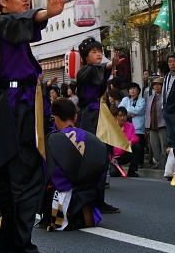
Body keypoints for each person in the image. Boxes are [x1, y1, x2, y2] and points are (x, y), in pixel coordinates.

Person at [0, 0, 63, 253]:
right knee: (25, 174)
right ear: (3, 1)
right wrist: (45, 13)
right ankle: (23, 247)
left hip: (7, 105)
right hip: (15, 107)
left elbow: (25, 22)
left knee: (6, 175)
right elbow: (25, 20)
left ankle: (9, 243)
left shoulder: (1, 28)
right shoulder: (3, 23)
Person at [43, 99, 108, 230]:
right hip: (88, 194)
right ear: (75, 116)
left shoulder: (52, 139)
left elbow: (48, 173)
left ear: (55, 118)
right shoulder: (94, 139)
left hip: (63, 195)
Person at [76, 36, 121, 213]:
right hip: (90, 117)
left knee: (102, 158)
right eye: (94, 52)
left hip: (99, 115)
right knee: (93, 157)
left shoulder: (95, 70)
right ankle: (90, 199)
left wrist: (111, 66)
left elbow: (101, 73)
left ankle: (98, 200)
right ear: (85, 56)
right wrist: (110, 65)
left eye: (100, 52)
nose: (98, 54)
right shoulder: (84, 72)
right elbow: (98, 71)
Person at [118, 84, 146, 176]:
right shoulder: (125, 99)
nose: (132, 91)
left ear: (138, 91)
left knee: (138, 145)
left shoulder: (141, 100)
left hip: (137, 127)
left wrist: (128, 112)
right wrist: (130, 113)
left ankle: (137, 166)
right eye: (131, 89)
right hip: (125, 126)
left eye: (134, 89)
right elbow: (121, 109)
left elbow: (139, 110)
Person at [145, 78, 167, 169]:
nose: (156, 86)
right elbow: (147, 112)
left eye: (159, 84)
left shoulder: (165, 96)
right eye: (155, 85)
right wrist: (146, 126)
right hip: (151, 125)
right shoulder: (150, 97)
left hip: (163, 124)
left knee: (164, 145)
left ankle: (165, 164)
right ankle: (158, 162)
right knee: (154, 145)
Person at [111, 107, 141, 176]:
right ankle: (114, 168)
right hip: (114, 157)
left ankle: (132, 171)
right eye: (120, 115)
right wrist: (111, 157)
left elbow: (136, 138)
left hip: (125, 153)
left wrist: (131, 141)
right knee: (114, 173)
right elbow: (107, 145)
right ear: (116, 117)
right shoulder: (111, 127)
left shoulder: (130, 126)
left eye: (124, 116)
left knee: (137, 147)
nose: (122, 118)